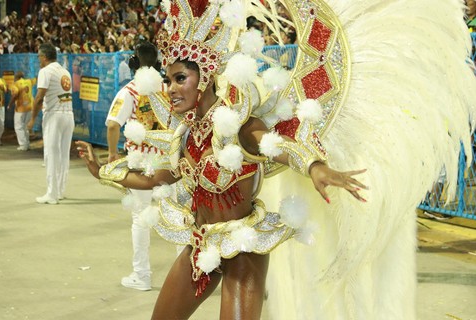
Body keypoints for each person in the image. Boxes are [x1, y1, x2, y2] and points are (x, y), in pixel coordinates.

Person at [76, 1, 367, 317]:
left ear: (203, 80)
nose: (170, 88)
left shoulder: (237, 123)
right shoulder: (183, 134)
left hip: (244, 248)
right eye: (168, 79)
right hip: (201, 243)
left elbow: (276, 145)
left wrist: (315, 166)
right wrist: (102, 171)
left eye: (179, 79)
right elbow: (156, 178)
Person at [105, 41, 161, 291]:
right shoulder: (167, 87)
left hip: (140, 162)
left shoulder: (129, 91)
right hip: (168, 160)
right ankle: (191, 276)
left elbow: (113, 125)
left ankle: (142, 275)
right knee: (180, 216)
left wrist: (111, 154)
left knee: (140, 217)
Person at [28, 43, 75, 205]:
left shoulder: (45, 71)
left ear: (44, 57)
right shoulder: (65, 72)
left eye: (39, 57)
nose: (39, 60)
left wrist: (33, 119)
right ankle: (60, 190)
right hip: (68, 115)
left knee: (51, 154)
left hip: (54, 116)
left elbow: (39, 97)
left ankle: (51, 194)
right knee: (63, 154)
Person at [8, 71, 36, 151]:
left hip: (20, 108)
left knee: (18, 127)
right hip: (30, 107)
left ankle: (23, 145)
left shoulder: (15, 84)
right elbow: (36, 79)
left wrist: (10, 104)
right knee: (25, 126)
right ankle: (27, 144)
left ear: (16, 77)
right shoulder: (29, 81)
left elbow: (15, 94)